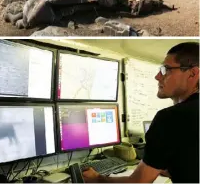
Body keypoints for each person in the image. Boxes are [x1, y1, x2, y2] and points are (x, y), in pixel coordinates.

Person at [83, 42, 199, 183]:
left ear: (192, 74)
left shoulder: (170, 118)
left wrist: (97, 179)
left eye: (166, 69)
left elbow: (138, 182)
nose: (157, 76)